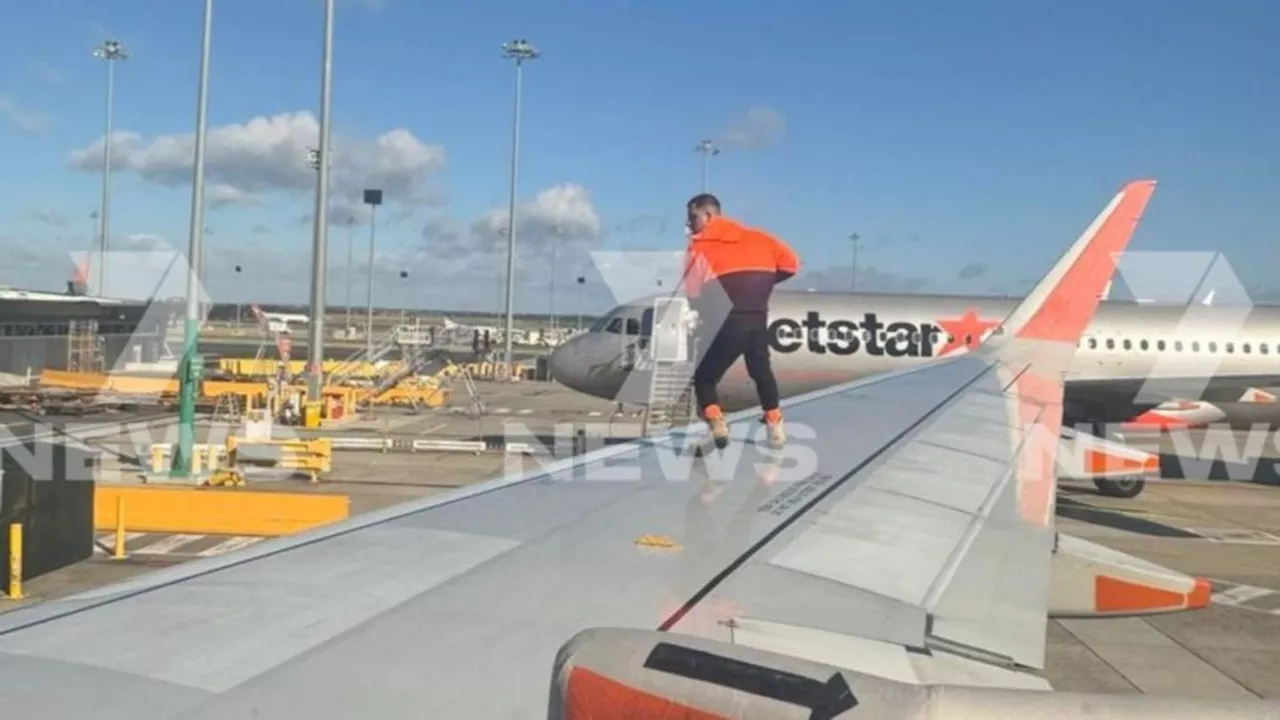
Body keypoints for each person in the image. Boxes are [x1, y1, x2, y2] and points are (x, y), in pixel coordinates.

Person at [681, 193, 798, 449]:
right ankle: (775, 426)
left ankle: (717, 424)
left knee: (705, 377)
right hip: (757, 317)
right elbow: (791, 266)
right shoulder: (760, 237)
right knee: (761, 371)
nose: (689, 225)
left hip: (728, 320)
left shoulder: (699, 246)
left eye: (692, 218)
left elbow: (693, 295)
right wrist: (761, 283)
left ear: (709, 216)